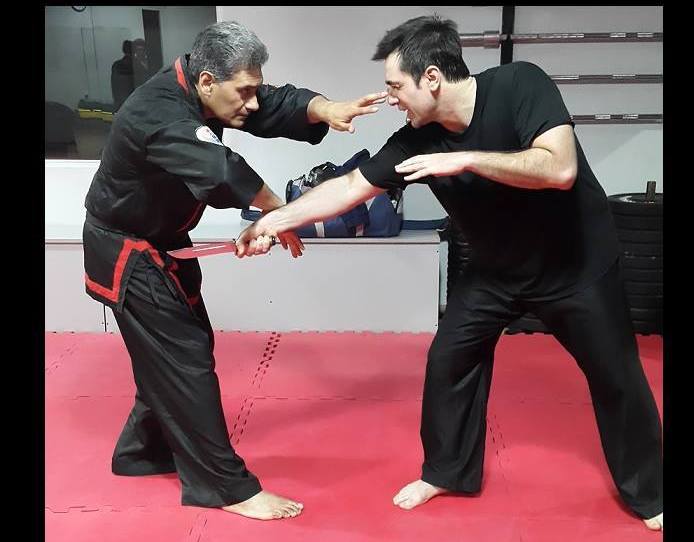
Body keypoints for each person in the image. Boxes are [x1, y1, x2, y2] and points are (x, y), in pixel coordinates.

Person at [235, 15, 663, 531]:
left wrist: (466, 160)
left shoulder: (520, 84)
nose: (392, 98)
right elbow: (350, 187)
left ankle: (652, 495)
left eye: (397, 86)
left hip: (576, 264)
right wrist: (273, 220)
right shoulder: (415, 139)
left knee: (617, 378)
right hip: (496, 271)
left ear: (432, 78)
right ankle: (448, 472)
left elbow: (560, 168)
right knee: (449, 362)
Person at [82, 20, 386, 521]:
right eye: (243, 91)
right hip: (127, 249)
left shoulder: (207, 89)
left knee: (183, 349)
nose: (252, 102)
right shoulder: (158, 111)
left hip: (162, 239)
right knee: (184, 356)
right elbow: (222, 169)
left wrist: (325, 108)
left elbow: (273, 102)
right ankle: (223, 486)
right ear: (207, 82)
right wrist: (278, 213)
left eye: (253, 88)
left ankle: (143, 450)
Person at [111, 40, 135, 111]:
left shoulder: (116, 65)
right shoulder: (135, 65)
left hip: (119, 103)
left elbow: (114, 85)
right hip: (132, 104)